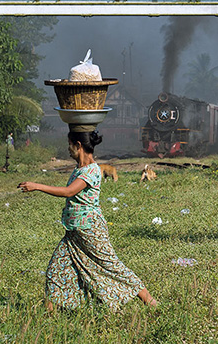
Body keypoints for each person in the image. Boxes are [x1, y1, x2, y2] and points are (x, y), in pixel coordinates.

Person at [18, 126, 158, 311]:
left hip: (90, 230)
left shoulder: (91, 171)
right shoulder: (79, 168)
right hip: (75, 233)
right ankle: (47, 315)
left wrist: (37, 186)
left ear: (78, 145)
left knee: (111, 267)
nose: (68, 149)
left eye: (69, 145)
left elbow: (69, 191)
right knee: (56, 270)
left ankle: (151, 302)